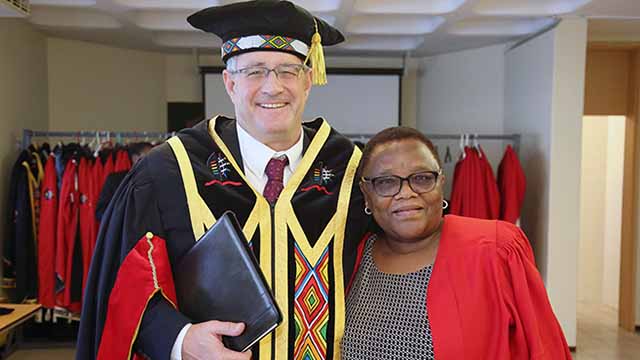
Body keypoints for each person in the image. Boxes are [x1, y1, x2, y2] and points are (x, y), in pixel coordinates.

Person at [76, 1, 367, 360]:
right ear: (229, 83)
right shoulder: (170, 172)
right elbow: (123, 288)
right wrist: (180, 339)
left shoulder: (354, 171)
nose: (272, 88)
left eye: (288, 71)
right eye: (254, 71)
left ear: (308, 81)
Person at [341, 127, 572, 359]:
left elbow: (545, 350)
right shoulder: (352, 259)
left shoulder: (496, 250)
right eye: (386, 182)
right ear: (367, 193)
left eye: (421, 178)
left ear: (441, 182)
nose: (406, 193)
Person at [95, 142, 153, 222]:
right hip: (122, 231)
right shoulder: (115, 180)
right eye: (148, 158)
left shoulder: (159, 180)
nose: (153, 162)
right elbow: (100, 212)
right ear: (135, 158)